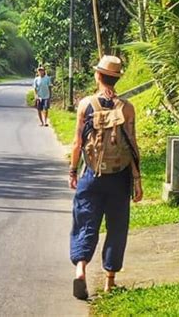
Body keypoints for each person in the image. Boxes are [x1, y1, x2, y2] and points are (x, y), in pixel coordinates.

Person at [68, 55, 143, 300]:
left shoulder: (86, 105)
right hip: (119, 178)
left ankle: (81, 270)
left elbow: (78, 143)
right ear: (117, 78)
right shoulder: (127, 108)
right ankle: (110, 282)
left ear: (98, 76)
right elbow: (132, 145)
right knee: (117, 226)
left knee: (85, 222)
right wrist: (137, 180)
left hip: (91, 174)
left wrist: (72, 170)